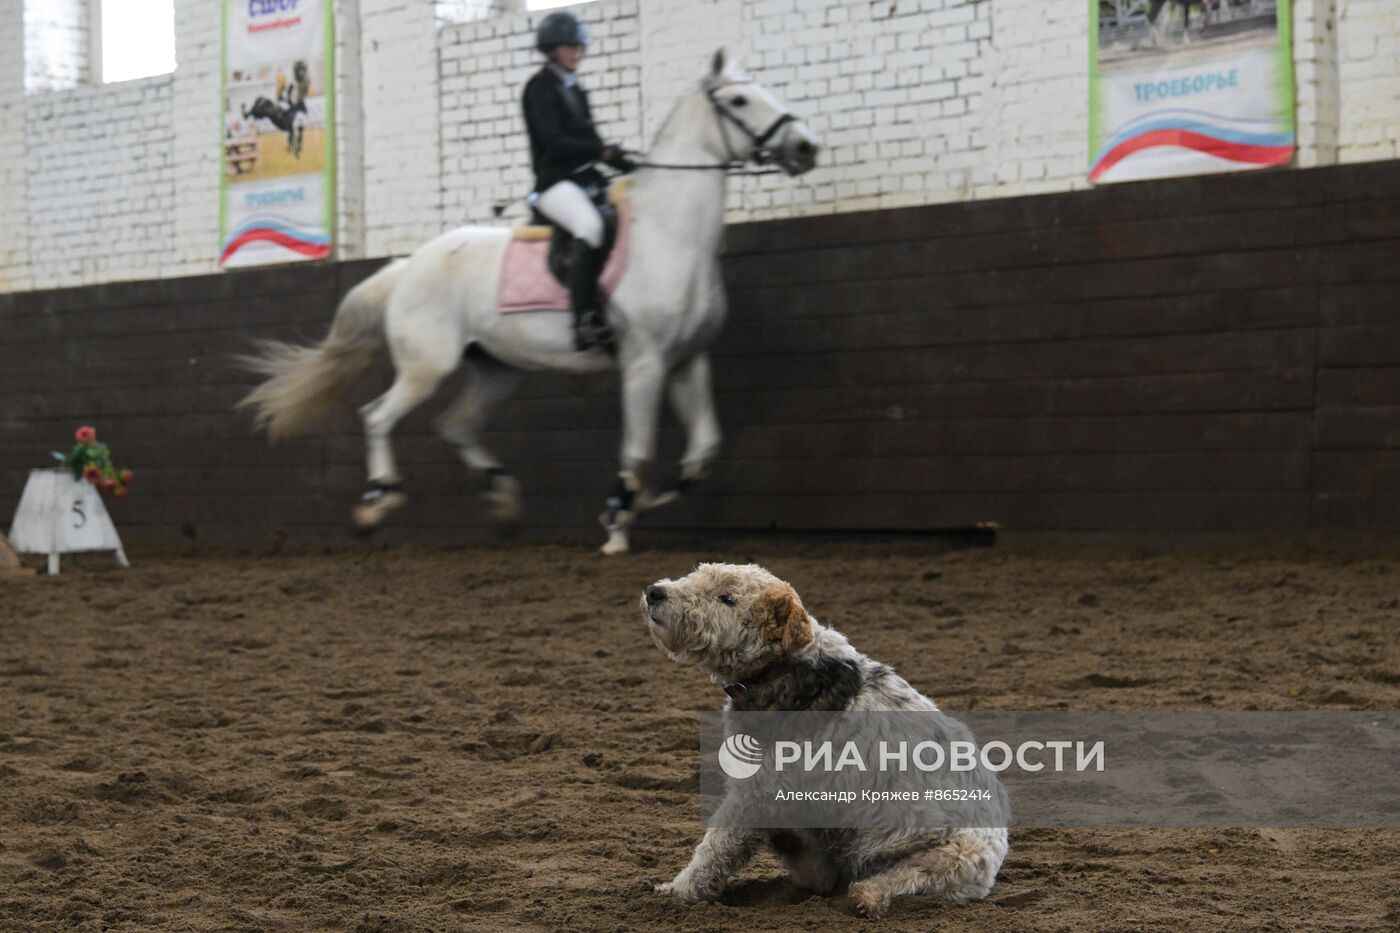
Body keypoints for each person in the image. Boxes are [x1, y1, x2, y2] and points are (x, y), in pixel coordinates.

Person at [521, 11, 636, 350]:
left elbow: (591, 141)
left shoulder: (576, 90)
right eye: (572, 47)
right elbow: (553, 142)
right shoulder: (538, 88)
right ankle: (583, 319)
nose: (578, 53)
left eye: (579, 47)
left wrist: (620, 160)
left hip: (584, 179)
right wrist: (599, 151)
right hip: (554, 183)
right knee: (590, 226)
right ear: (553, 49)